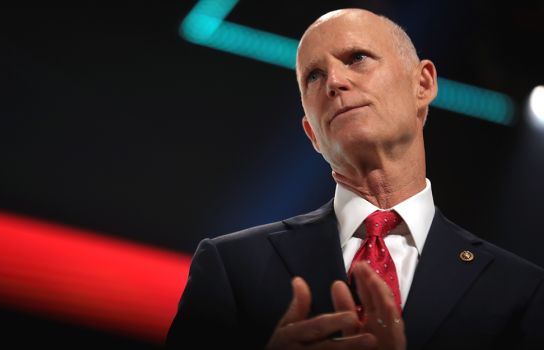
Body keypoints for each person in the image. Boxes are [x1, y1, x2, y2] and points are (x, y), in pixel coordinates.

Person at [166, 8, 544, 350]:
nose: (334, 82)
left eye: (357, 58)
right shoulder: (231, 267)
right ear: (312, 133)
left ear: (423, 85)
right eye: (313, 76)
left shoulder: (521, 290)